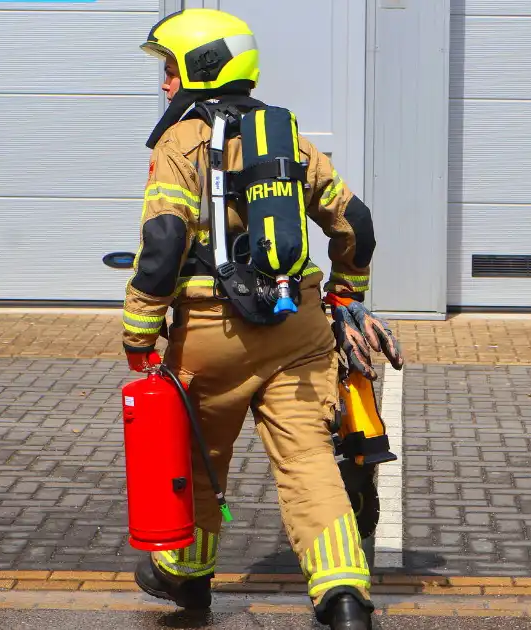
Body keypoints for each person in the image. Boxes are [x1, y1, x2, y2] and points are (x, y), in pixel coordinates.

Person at [122, 8, 404, 630]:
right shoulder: (287, 134)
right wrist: (345, 293)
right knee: (309, 464)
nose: (165, 82)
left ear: (200, 68)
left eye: (170, 68)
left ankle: (186, 578)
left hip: (208, 336)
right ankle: (344, 597)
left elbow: (164, 241)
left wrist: (139, 328)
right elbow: (355, 223)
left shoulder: (181, 142)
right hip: (297, 333)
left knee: (198, 464)